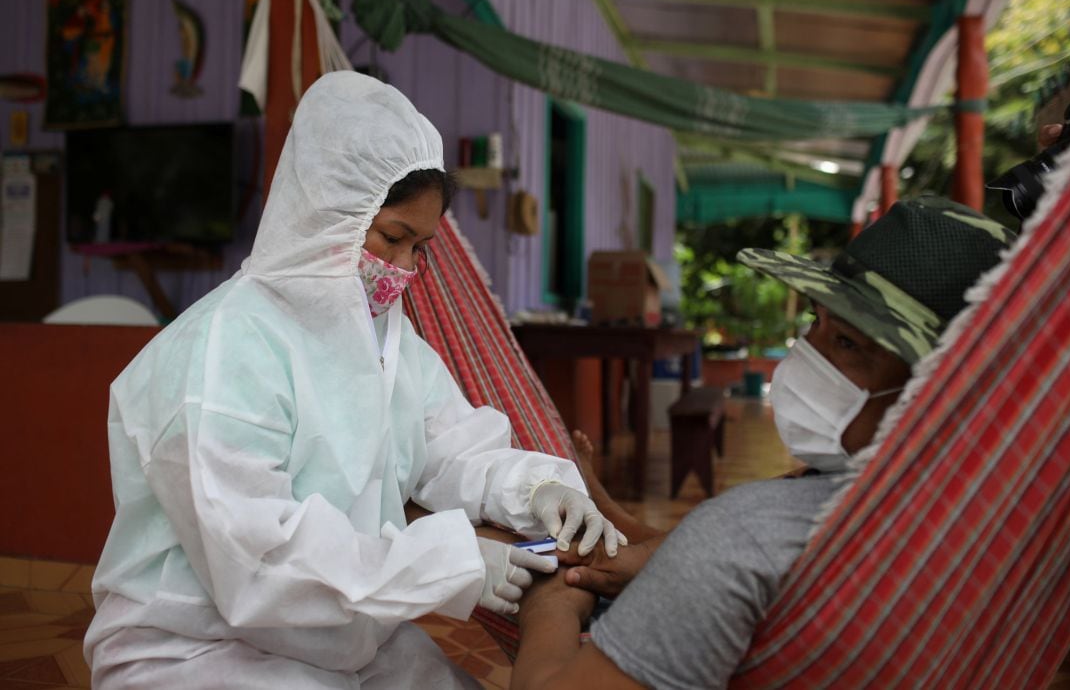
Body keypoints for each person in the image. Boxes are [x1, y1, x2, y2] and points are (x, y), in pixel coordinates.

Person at [83, 71, 623, 690]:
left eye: (419, 248)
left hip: (342, 634)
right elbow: (257, 566)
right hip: (199, 647)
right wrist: (452, 559)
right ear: (327, 215)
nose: (403, 269)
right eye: (392, 237)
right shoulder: (218, 355)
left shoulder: (386, 339)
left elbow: (452, 447)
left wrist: (539, 489)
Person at [510, 195, 1018, 689]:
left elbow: (717, 548)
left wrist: (549, 606)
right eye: (815, 322)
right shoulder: (992, 518)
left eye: (847, 343)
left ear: (939, 387)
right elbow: (692, 548)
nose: (805, 356)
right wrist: (612, 513)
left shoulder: (747, 537)